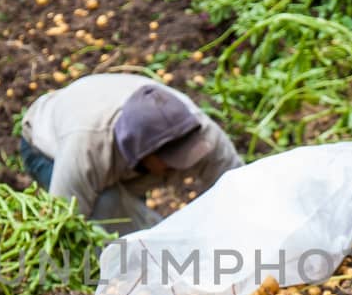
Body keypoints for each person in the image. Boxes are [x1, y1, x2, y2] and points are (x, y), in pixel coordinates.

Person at [19, 73, 242, 234]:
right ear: (143, 155)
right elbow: (65, 225)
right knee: (108, 208)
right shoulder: (85, 148)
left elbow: (239, 187)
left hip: (119, 153)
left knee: (135, 223)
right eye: (170, 160)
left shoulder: (199, 130)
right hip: (45, 144)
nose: (181, 168)